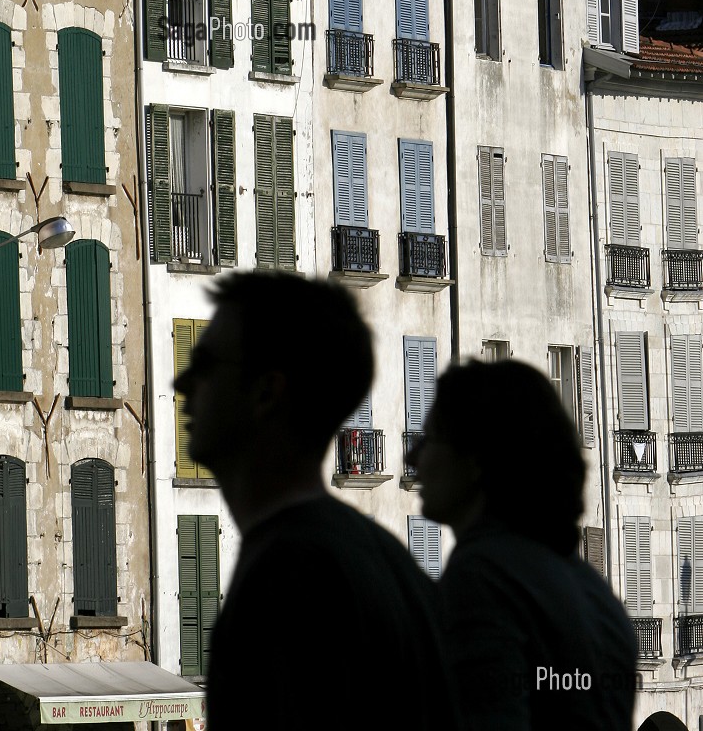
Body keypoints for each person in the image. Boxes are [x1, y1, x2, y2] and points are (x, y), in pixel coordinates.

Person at [174, 270, 461, 730]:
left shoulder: (284, 579)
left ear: (266, 392)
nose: (182, 383)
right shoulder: (393, 566)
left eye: (205, 364)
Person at [411, 359, 637, 730]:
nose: (412, 457)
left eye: (430, 438)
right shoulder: (597, 595)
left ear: (475, 461)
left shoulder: (483, 577)